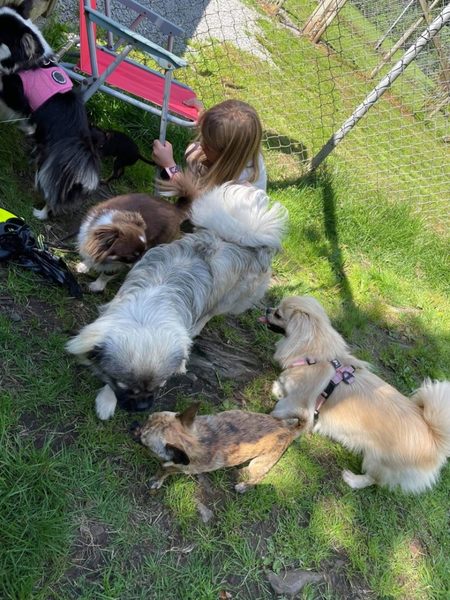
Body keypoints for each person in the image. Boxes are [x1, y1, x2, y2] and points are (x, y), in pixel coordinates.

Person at [152, 99, 267, 192]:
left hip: (208, 210)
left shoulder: (236, 189)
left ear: (226, 155)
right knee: (194, 151)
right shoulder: (242, 151)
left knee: (195, 156)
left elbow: (196, 200)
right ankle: (191, 181)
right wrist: (202, 113)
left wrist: (169, 166)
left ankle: (185, 183)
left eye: (208, 146)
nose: (202, 144)